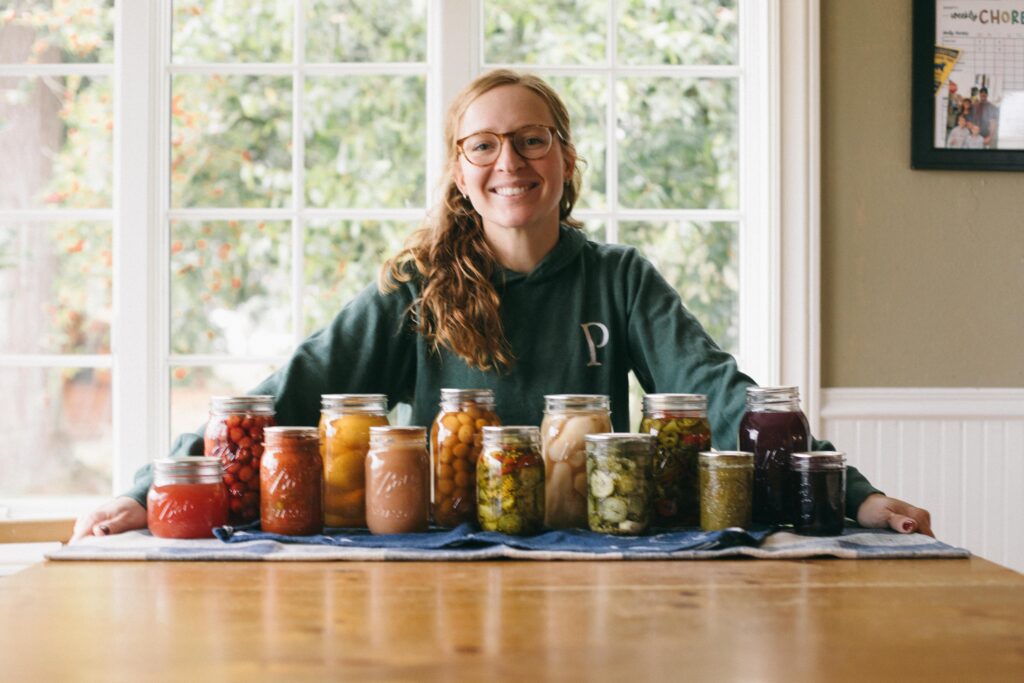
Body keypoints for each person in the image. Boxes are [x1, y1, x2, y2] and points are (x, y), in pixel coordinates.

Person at [71, 69, 933, 542]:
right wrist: (154, 484)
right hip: (436, 550)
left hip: (602, 549)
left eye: (530, 139)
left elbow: (716, 391)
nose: (507, 161)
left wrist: (854, 494)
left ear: (563, 158)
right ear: (458, 170)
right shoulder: (413, 287)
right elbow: (290, 390)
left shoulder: (620, 277)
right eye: (482, 144)